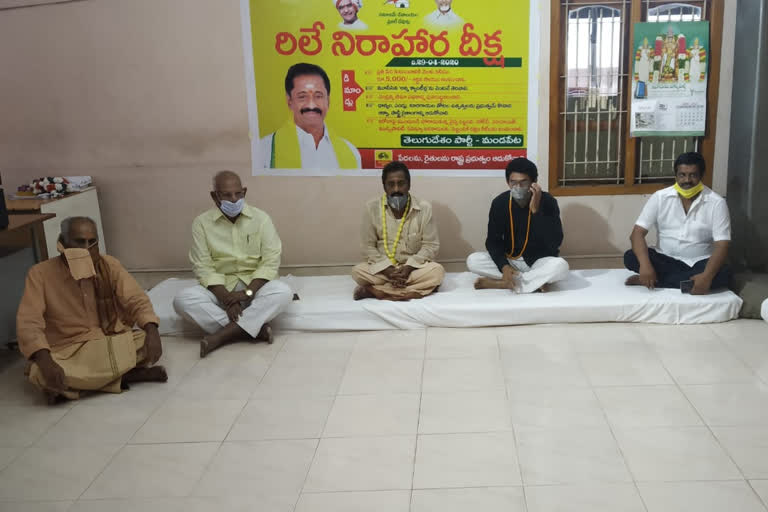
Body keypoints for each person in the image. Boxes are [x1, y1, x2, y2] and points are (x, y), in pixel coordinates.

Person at [16, 217, 166, 404]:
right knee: (39, 371)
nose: (86, 249)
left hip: (106, 339)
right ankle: (125, 377)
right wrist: (45, 360)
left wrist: (152, 330)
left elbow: (135, 299)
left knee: (144, 341)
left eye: (92, 242)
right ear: (62, 244)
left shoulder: (108, 265)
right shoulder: (40, 274)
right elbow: (29, 323)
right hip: (66, 349)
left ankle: (76, 387)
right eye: (79, 242)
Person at [173, 171, 293, 357]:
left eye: (238, 193)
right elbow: (203, 267)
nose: (234, 199)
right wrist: (227, 299)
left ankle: (222, 336)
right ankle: (254, 329)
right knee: (182, 300)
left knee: (283, 292)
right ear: (215, 196)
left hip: (254, 285)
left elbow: (270, 263)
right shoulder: (201, 223)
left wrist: (246, 294)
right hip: (219, 287)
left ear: (244, 191)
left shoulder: (261, 219)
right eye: (227, 195)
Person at [624, 152, 731, 294]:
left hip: (700, 263)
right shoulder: (660, 197)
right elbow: (637, 234)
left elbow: (722, 245)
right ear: (676, 175)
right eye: (682, 175)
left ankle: (660, 281)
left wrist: (706, 276)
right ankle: (688, 283)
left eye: (693, 175)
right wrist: (645, 266)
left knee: (725, 272)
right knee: (630, 256)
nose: (687, 180)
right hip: (665, 260)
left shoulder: (716, 203)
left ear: (701, 175)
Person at [468, 158, 569, 293]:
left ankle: (505, 284)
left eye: (523, 182)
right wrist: (504, 266)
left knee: (560, 266)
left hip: (537, 262)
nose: (518, 187)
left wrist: (536, 211)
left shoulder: (548, 201)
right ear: (507, 183)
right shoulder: (500, 203)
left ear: (533, 183)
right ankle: (532, 282)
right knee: (473, 260)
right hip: (511, 260)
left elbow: (554, 242)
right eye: (513, 182)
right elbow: (493, 241)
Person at [352, 161, 445, 301]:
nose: (396, 188)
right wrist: (388, 270)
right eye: (391, 184)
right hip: (384, 269)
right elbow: (367, 246)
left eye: (401, 183)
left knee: (437, 272)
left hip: (412, 268)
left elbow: (430, 246)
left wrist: (408, 268)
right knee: (358, 272)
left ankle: (378, 291)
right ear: (384, 186)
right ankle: (414, 291)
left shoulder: (424, 208)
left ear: (409, 184)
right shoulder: (371, 207)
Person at [260, 63, 362, 170]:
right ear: (289, 101)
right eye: (302, 97)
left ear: (328, 100)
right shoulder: (265, 150)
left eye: (318, 96)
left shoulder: (350, 152)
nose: (311, 105)